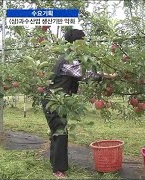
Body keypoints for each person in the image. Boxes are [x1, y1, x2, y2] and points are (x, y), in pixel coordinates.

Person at [41, 29, 117, 179]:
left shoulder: (70, 58)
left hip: (58, 101)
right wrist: (109, 75)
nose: (85, 44)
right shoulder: (68, 60)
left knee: (58, 132)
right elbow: (85, 74)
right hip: (54, 101)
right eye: (83, 41)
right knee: (60, 132)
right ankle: (58, 171)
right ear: (77, 43)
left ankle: (54, 164)